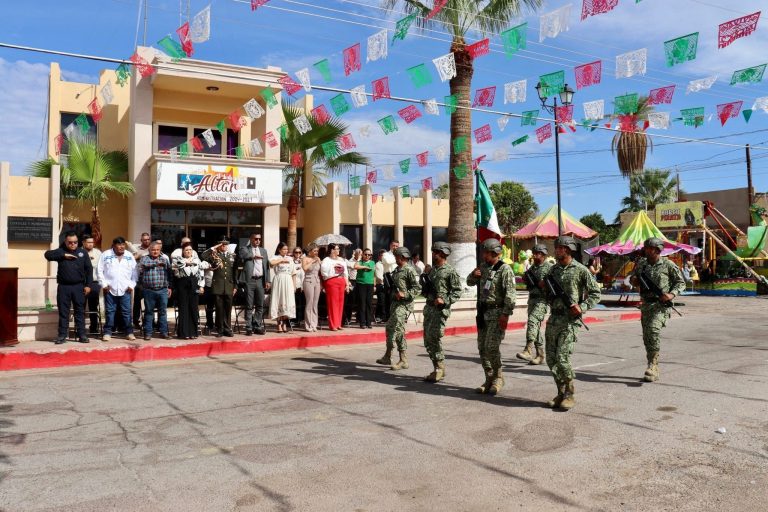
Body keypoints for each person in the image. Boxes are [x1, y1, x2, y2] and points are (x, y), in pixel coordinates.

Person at [543, 236, 601, 410]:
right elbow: (547, 294)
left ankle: (569, 393)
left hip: (570, 321)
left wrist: (581, 307)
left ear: (567, 249)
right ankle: (560, 392)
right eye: (556, 247)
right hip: (554, 318)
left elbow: (595, 293)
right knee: (551, 359)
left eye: (559, 248)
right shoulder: (552, 271)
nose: (556, 250)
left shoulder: (580, 270)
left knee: (562, 357)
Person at [631, 238, 686, 383]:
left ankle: (653, 365)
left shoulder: (668, 264)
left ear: (658, 250)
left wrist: (671, 294)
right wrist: (634, 281)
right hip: (646, 305)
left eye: (650, 248)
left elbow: (680, 283)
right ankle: (651, 361)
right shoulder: (641, 264)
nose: (647, 250)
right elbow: (633, 278)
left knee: (653, 330)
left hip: (661, 306)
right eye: (647, 248)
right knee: (647, 336)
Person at [466, 239, 516, 395]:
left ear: (493, 253)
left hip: (496, 313)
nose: (483, 255)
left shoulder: (504, 269)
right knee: (482, 348)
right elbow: (469, 282)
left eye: (485, 252)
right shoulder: (482, 267)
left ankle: (498, 377)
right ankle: (488, 378)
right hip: (482, 313)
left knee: (491, 347)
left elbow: (510, 294)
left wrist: (505, 315)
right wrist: (474, 275)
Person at [421, 242, 462, 382]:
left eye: (436, 252)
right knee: (427, 340)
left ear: (443, 253)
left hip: (440, 310)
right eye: (433, 251)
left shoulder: (450, 271)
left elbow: (457, 292)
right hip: (429, 309)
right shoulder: (432, 270)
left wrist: (444, 301)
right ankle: (437, 367)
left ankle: (439, 368)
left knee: (434, 338)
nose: (433, 254)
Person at [44, 231, 93, 344]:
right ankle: (62, 336)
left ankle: (82, 335)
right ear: (65, 242)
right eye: (70, 242)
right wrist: (63, 255)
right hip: (64, 287)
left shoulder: (82, 253)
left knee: (80, 312)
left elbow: (89, 270)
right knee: (63, 312)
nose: (73, 244)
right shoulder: (61, 252)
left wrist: (88, 285)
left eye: (75, 242)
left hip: (79, 287)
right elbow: (47, 254)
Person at [376, 247, 421, 371]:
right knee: (390, 328)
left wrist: (404, 294)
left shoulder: (410, 270)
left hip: (405, 305)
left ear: (402, 257)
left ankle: (403, 359)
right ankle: (388, 356)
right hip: (395, 304)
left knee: (397, 328)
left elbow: (417, 288)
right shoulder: (397, 270)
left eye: (396, 257)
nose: (395, 259)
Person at [517, 244, 554, 366]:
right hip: (532, 300)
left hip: (542, 301)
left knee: (533, 321)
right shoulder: (532, 268)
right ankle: (540, 355)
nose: (535, 255)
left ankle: (528, 349)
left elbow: (554, 284)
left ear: (543, 255)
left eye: (538, 253)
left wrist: (546, 284)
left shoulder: (550, 268)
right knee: (535, 328)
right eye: (535, 253)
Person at [97, 237, 137, 342]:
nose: (121, 247)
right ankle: (107, 333)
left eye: (123, 245)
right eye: (119, 245)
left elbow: (135, 272)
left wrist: (131, 285)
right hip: (110, 289)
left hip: (126, 289)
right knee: (110, 312)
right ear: (114, 245)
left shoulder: (129, 256)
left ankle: (129, 332)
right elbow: (99, 270)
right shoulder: (106, 255)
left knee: (126, 312)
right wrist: (104, 284)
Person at [204, 236, 238, 337]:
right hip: (218, 286)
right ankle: (220, 329)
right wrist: (214, 247)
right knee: (219, 309)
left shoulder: (232, 256)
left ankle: (227, 328)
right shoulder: (214, 255)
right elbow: (203, 255)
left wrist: (235, 286)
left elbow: (235, 271)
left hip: (229, 285)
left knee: (228, 309)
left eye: (226, 244)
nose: (224, 246)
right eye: (222, 244)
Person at [138, 242, 172, 340]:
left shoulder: (165, 259)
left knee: (163, 312)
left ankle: (164, 332)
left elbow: (169, 274)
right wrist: (156, 263)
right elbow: (143, 265)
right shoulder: (144, 258)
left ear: (160, 250)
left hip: (162, 290)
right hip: (149, 290)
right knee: (149, 312)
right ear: (149, 250)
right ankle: (148, 333)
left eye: (157, 250)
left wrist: (169, 287)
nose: (155, 251)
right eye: (153, 250)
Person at [238, 232, 270, 335]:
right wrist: (254, 256)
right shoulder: (245, 249)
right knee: (249, 305)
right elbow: (243, 255)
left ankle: (257, 325)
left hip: (260, 281)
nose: (258, 241)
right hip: (249, 280)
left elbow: (267, 267)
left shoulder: (263, 251)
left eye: (259, 239)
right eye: (256, 239)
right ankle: (248, 327)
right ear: (251, 239)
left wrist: (267, 280)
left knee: (260, 305)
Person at [172, 243, 204, 339]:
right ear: (183, 251)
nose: (188, 251)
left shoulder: (197, 260)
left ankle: (193, 332)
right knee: (184, 308)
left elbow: (201, 273)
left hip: (194, 285)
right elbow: (175, 266)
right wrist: (187, 263)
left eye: (190, 249)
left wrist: (201, 286)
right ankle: (184, 333)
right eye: (186, 250)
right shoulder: (178, 259)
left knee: (193, 308)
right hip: (182, 285)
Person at [269, 242, 297, 333]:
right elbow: (271, 263)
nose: (285, 251)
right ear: (279, 249)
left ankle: (284, 323)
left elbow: (293, 273)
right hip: (279, 281)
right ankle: (279, 324)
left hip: (288, 281)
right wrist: (280, 261)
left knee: (287, 301)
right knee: (279, 300)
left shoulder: (290, 258)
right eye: (283, 249)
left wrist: (294, 285)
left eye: (286, 249)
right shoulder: (275, 257)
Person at [320, 243, 349, 331]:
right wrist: (334, 267)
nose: (338, 250)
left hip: (341, 281)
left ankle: (338, 324)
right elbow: (324, 272)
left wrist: (347, 284)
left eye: (338, 249)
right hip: (332, 281)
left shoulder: (341, 260)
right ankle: (333, 324)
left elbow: (345, 273)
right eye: (337, 249)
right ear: (332, 250)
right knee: (333, 303)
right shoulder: (326, 260)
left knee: (340, 303)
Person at [128, 232, 152, 329]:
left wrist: (141, 255)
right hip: (138, 278)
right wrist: (137, 255)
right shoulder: (136, 248)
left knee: (149, 301)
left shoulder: (152, 249)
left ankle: (149, 322)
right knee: (137, 301)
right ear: (141, 240)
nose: (146, 241)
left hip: (150, 279)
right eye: (144, 239)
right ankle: (136, 321)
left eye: (148, 239)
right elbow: (131, 259)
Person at [82, 235, 102, 335]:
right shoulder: (79, 252)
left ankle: (94, 327)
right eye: (88, 242)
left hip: (94, 282)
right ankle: (80, 328)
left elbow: (101, 266)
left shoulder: (98, 252)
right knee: (80, 306)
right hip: (81, 283)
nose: (91, 244)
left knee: (93, 306)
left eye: (92, 242)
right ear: (83, 243)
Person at [302, 243, 322, 332]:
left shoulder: (318, 258)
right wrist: (312, 261)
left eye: (317, 251)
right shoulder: (305, 258)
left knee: (315, 304)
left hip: (317, 281)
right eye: (314, 251)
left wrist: (320, 262)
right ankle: (308, 325)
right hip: (308, 280)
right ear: (309, 251)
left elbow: (322, 270)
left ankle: (314, 324)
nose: (316, 252)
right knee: (309, 303)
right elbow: (305, 268)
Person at [354, 248, 376, 329]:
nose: (367, 256)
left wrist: (374, 285)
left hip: (370, 285)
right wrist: (363, 265)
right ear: (363, 255)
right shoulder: (360, 262)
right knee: (362, 304)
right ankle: (362, 323)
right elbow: (355, 266)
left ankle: (369, 322)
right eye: (365, 254)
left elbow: (374, 275)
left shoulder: (373, 263)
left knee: (369, 304)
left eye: (369, 255)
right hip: (361, 284)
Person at [381, 240, 399, 321]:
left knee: (397, 297)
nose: (395, 247)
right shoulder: (385, 254)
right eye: (393, 245)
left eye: (396, 246)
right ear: (390, 246)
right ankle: (388, 317)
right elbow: (387, 261)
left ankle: (395, 316)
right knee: (388, 298)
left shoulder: (399, 255)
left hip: (397, 278)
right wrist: (397, 259)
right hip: (388, 278)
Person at [344, 248, 362, 326]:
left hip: (360, 281)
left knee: (359, 300)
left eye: (360, 253)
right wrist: (348, 281)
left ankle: (358, 318)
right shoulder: (350, 261)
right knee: (351, 301)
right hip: (352, 281)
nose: (359, 255)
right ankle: (348, 318)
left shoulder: (361, 262)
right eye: (358, 253)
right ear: (355, 253)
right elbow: (348, 272)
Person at [292, 246, 305, 327]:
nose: (298, 254)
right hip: (293, 285)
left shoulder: (303, 262)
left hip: (302, 286)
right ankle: (293, 321)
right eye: (296, 252)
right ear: (293, 253)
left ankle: (299, 320)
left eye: (299, 252)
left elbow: (304, 274)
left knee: (300, 304)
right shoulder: (291, 262)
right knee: (294, 304)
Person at [374, 249, 386, 322]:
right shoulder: (378, 264)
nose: (383, 257)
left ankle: (380, 316)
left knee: (383, 302)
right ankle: (379, 316)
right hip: (380, 285)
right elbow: (379, 276)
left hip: (386, 285)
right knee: (381, 301)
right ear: (379, 256)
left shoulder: (387, 264)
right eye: (382, 255)